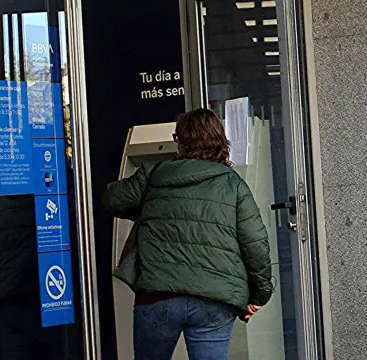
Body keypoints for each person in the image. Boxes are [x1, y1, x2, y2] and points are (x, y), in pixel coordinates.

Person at [104, 109, 274, 360]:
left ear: (181, 142)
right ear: (220, 142)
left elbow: (112, 199)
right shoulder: (233, 184)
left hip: (158, 295)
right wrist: (259, 296)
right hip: (214, 298)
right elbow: (255, 244)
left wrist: (149, 209)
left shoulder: (154, 174)